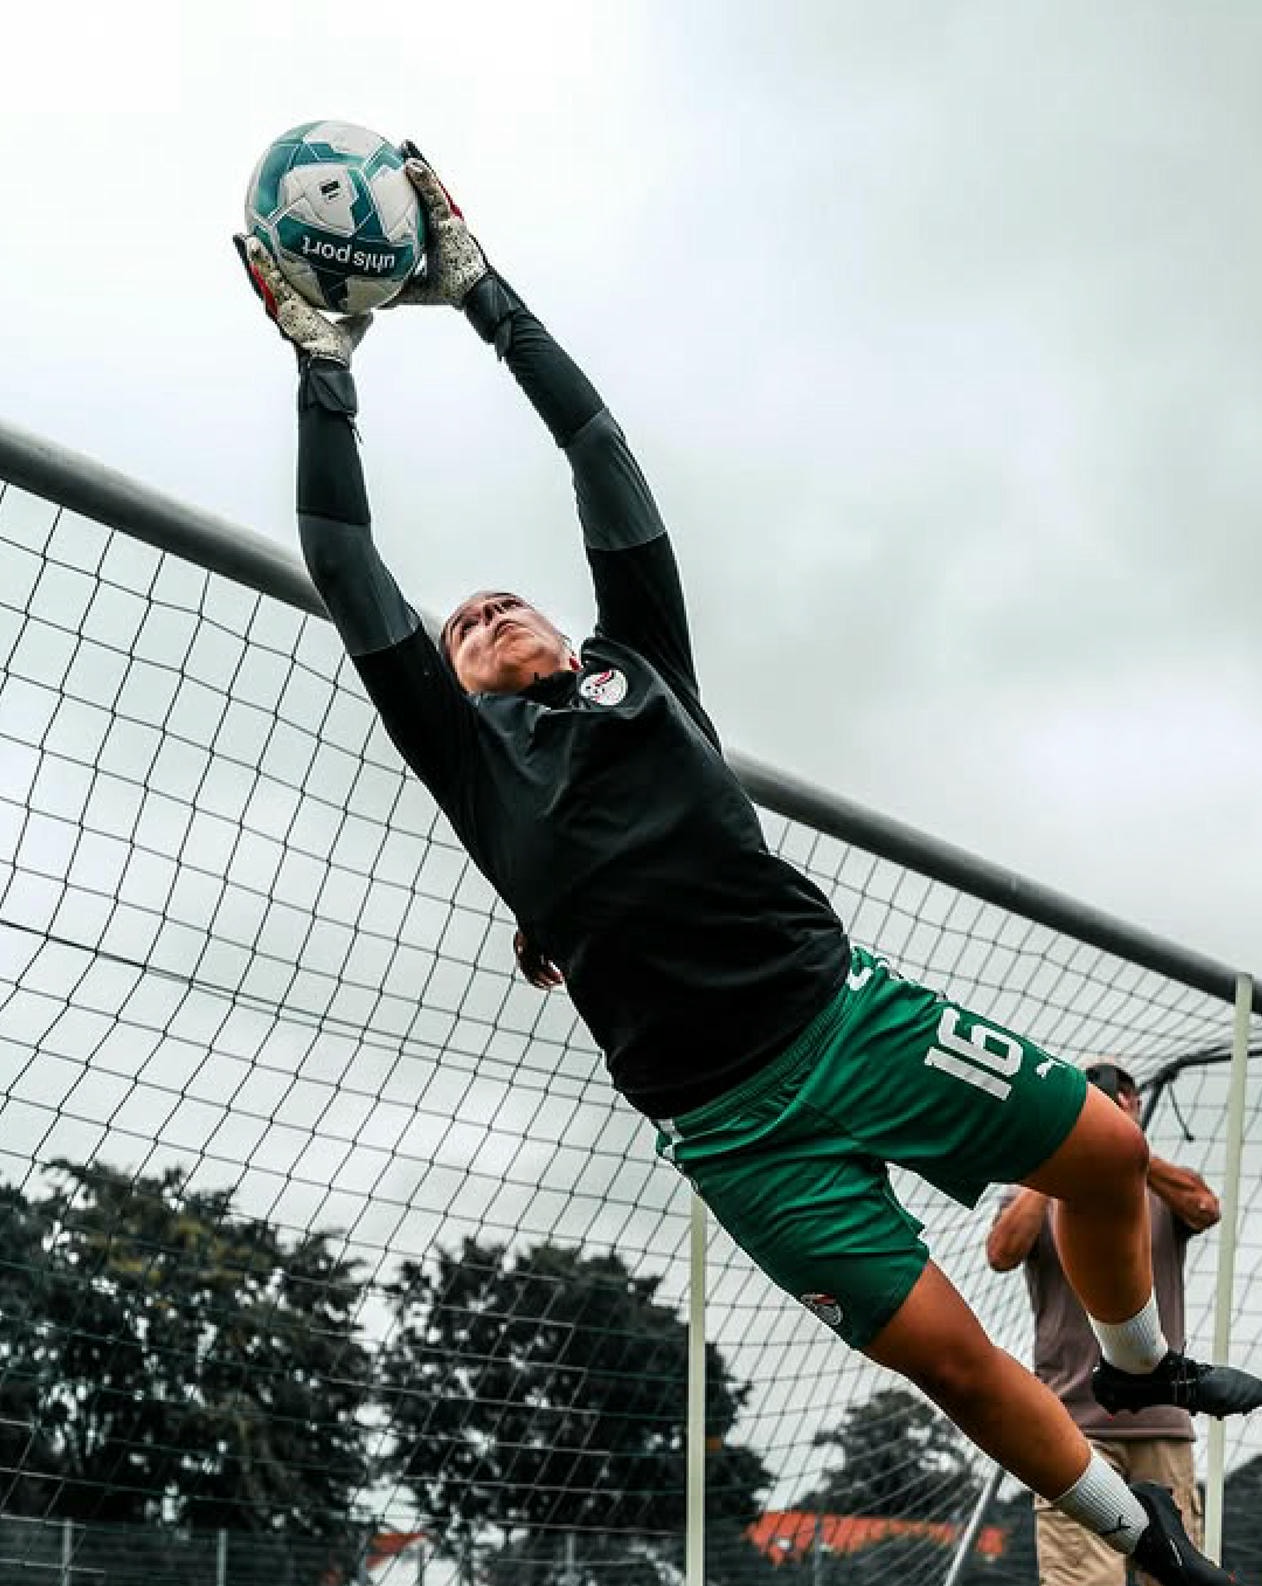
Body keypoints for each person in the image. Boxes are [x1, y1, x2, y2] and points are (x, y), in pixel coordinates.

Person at [234, 147, 1262, 1586]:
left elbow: (600, 457)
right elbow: (345, 556)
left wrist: (483, 296)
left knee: (1105, 1159)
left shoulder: (641, 665)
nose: (478, 610)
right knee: (958, 1370)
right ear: (450, 689)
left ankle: (1147, 1367)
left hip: (849, 1019)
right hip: (738, 1135)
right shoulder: (470, 764)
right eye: (459, 628)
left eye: (502, 601)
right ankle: (1144, 1546)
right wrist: (322, 364)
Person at [988, 1060, 1223, 1585]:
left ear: (1137, 1108)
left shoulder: (1161, 1193)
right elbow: (1002, 1253)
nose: (1111, 1107)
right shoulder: (1035, 1191)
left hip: (1160, 1419)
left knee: (1179, 1575)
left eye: (1122, 1100)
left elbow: (1206, 1208)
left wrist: (1129, 1153)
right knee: (1084, 1580)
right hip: (1073, 1425)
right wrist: (1063, 1156)